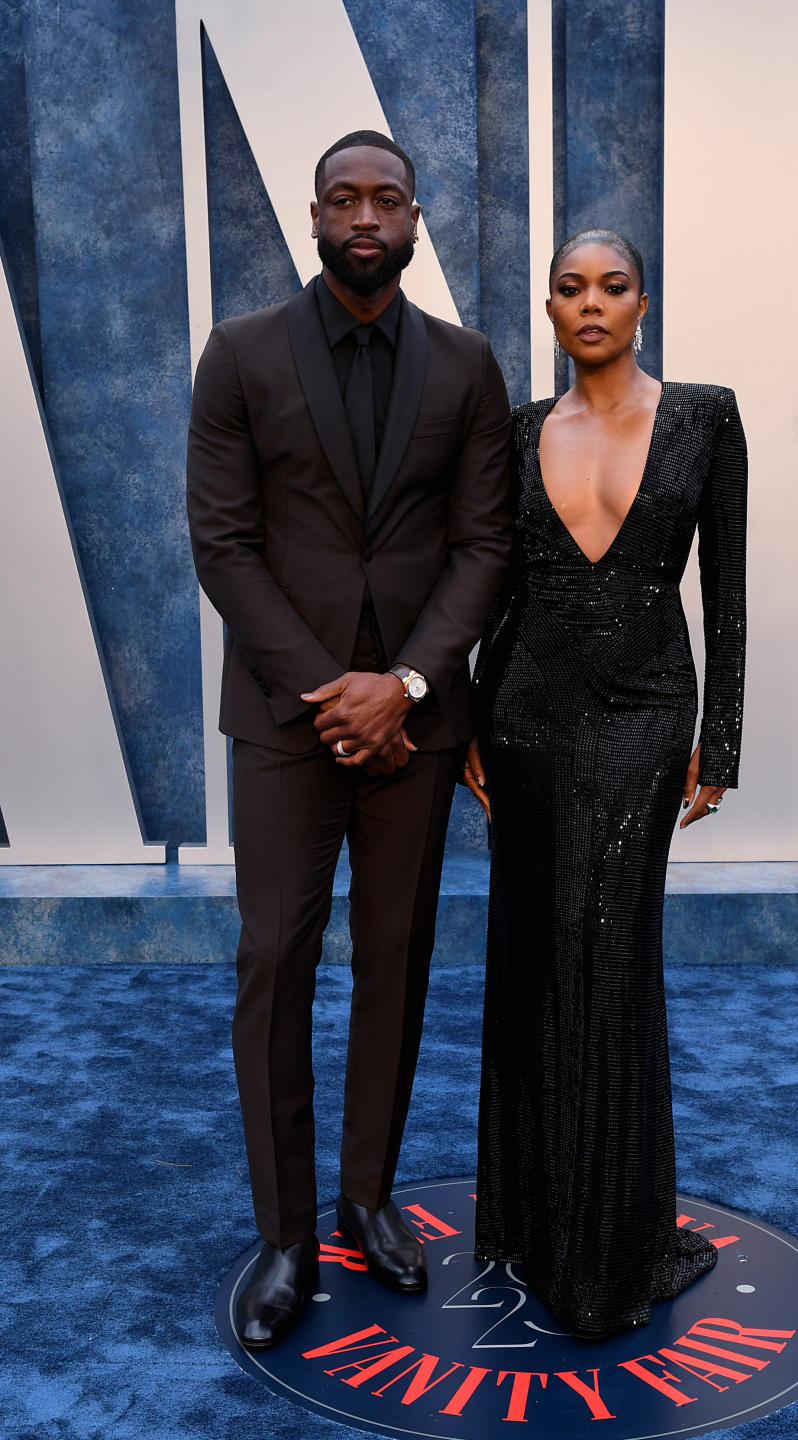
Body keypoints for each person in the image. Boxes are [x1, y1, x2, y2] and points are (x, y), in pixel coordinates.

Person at [187, 131, 512, 1349]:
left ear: (417, 221)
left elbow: (485, 544)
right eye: (343, 198)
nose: (364, 215)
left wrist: (410, 685)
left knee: (397, 959)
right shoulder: (240, 356)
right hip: (287, 720)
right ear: (313, 218)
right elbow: (224, 544)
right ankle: (284, 1238)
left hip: (417, 729)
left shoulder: (468, 367)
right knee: (276, 961)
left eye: (387, 198)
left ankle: (366, 1200)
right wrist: (336, 689)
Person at [464, 229, 747, 1338]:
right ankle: (538, 1223)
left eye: (612, 287)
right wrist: (471, 725)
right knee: (536, 945)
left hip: (643, 717)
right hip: (525, 716)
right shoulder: (519, 429)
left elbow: (723, 588)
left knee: (610, 951)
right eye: (571, 289)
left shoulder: (705, 416)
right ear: (548, 310)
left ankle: (611, 1250)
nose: (591, 304)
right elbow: (494, 589)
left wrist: (717, 744)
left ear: (643, 302)